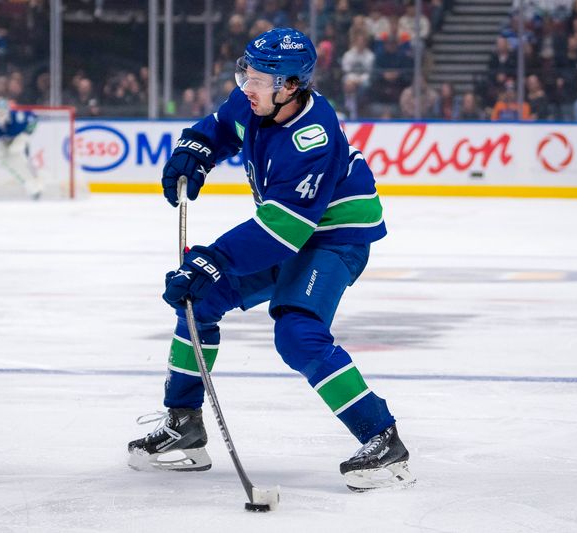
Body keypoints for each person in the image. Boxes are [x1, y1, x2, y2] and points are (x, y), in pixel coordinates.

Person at [127, 27, 413, 492]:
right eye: (247, 73)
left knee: (298, 332)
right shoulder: (259, 100)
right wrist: (194, 151)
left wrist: (213, 259)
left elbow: (284, 231)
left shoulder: (312, 140)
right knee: (197, 302)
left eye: (259, 79)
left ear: (292, 86)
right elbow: (221, 128)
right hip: (290, 230)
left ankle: (384, 441)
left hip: (334, 236)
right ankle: (184, 426)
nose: (246, 86)